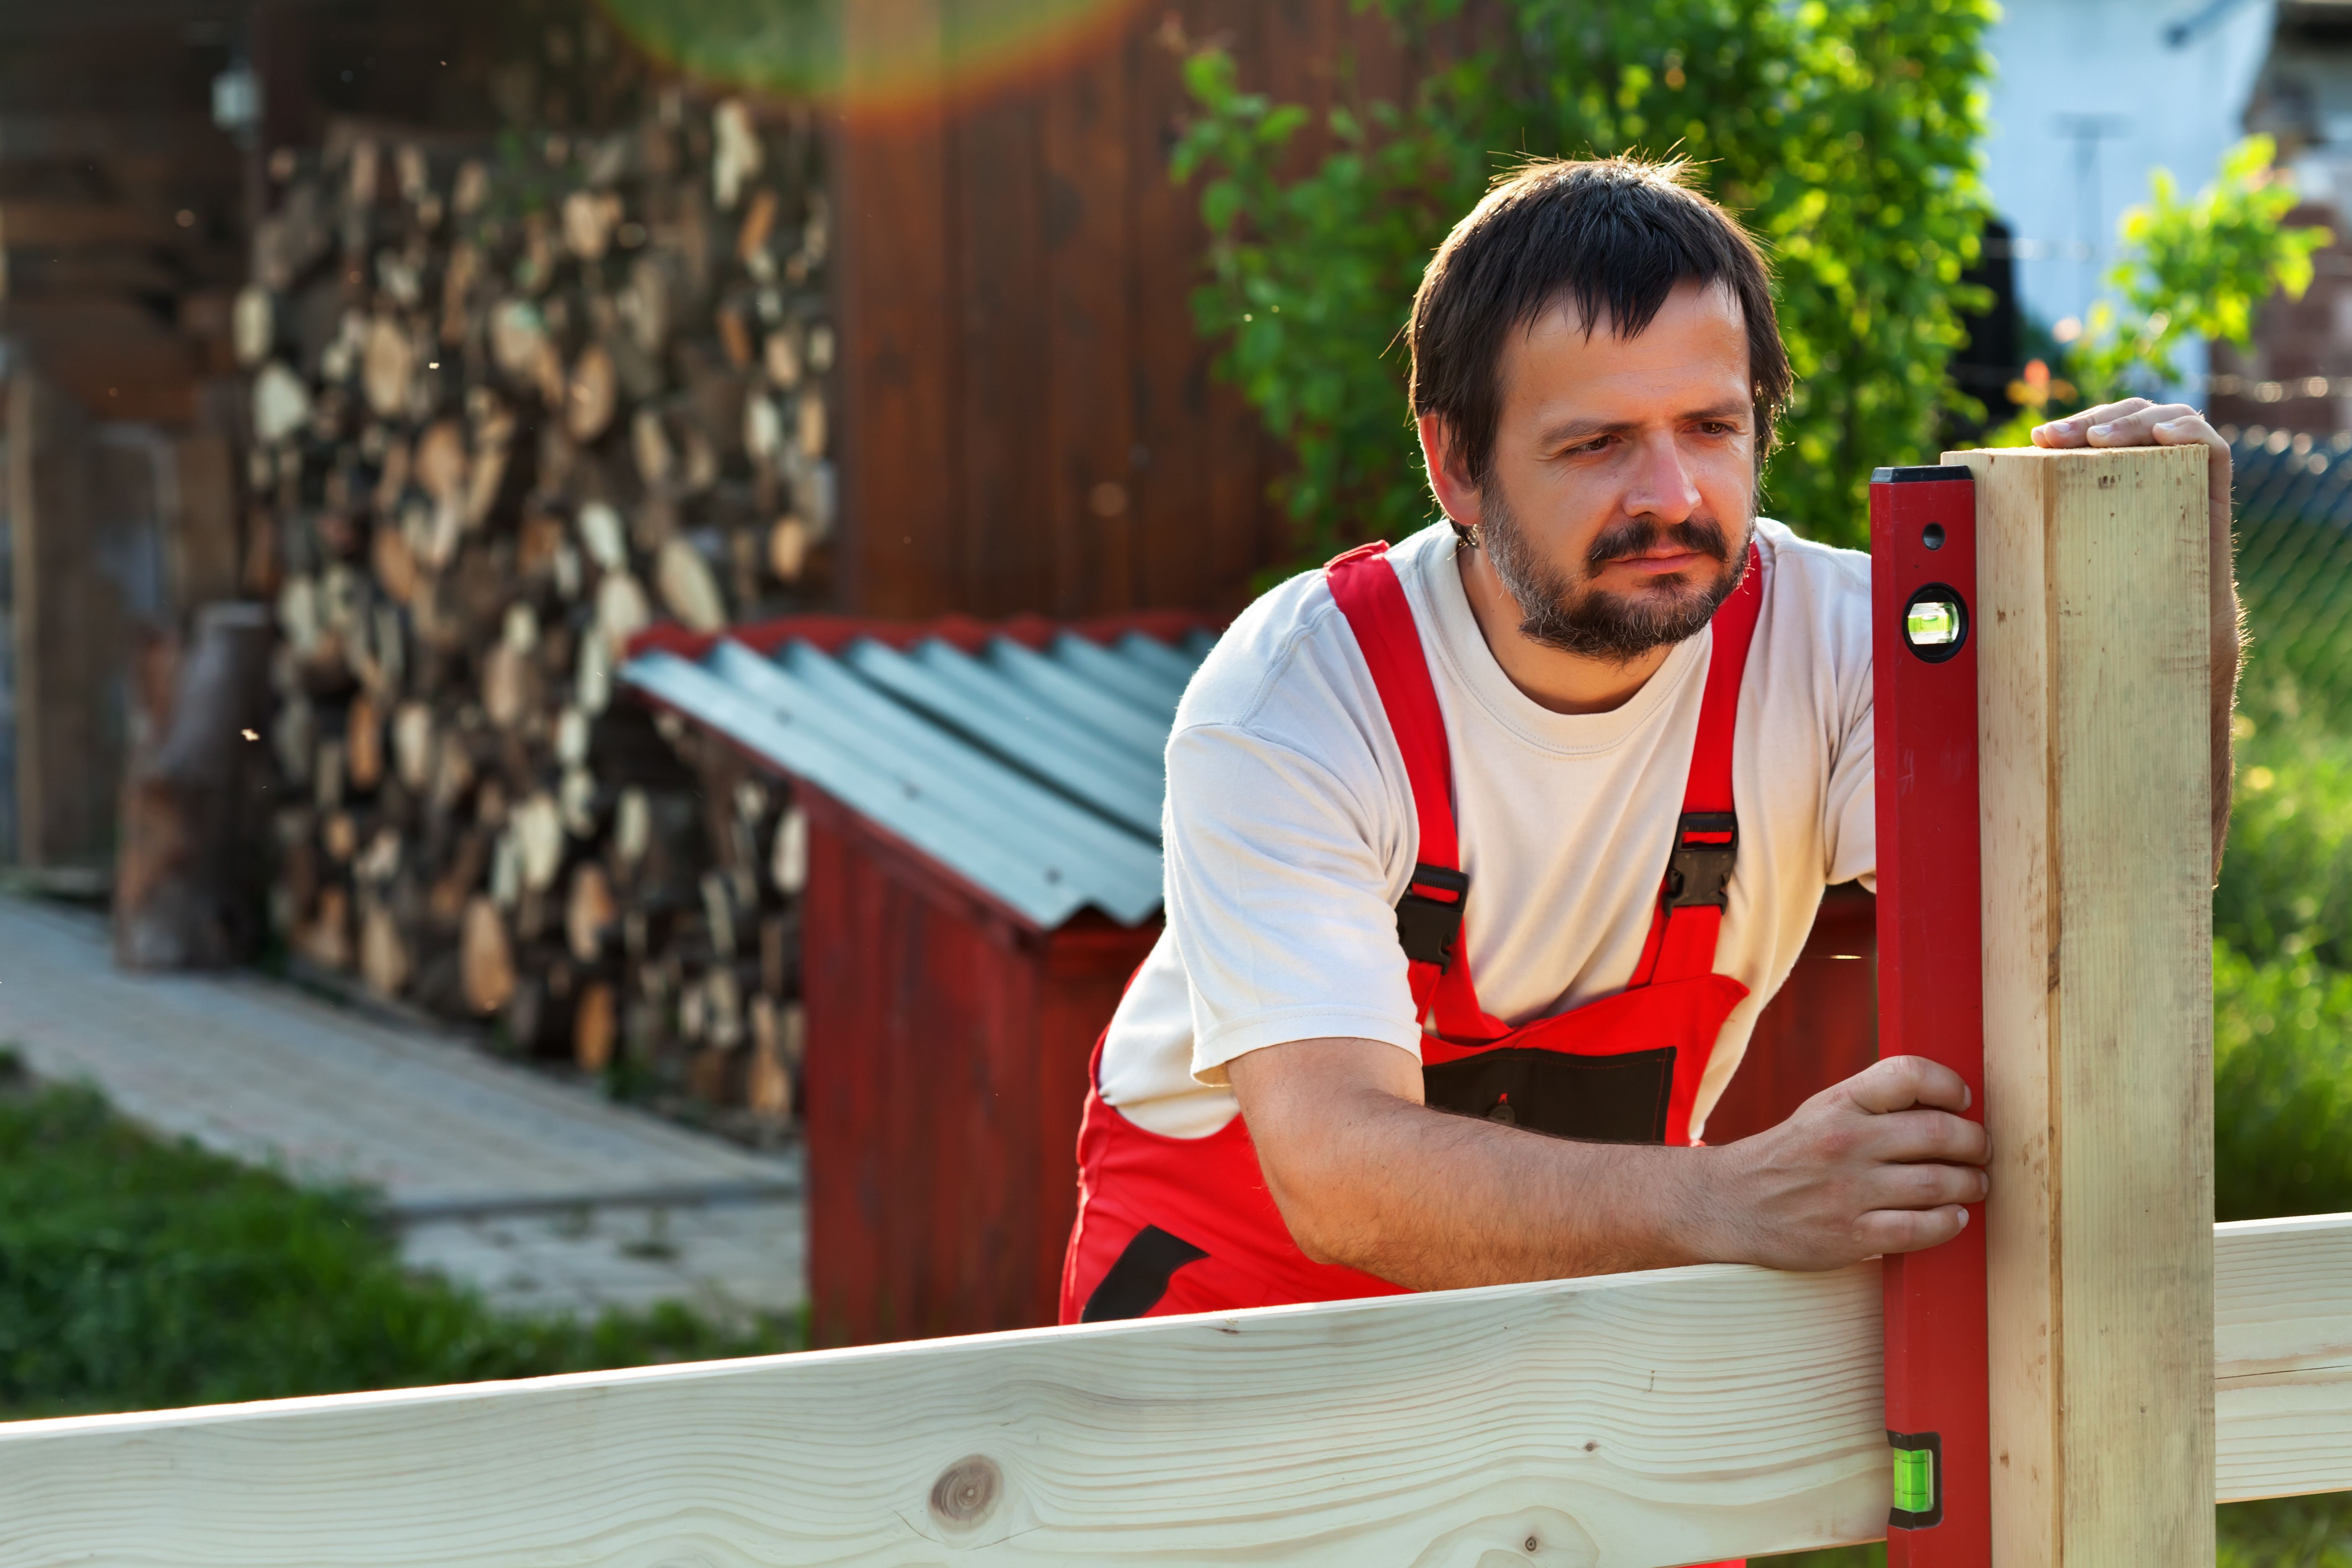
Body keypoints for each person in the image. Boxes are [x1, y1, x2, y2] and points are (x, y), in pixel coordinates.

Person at [1060, 155, 2241, 1328]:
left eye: (1712, 427)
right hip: (1236, 1324)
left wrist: (2186, 614)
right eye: (1597, 444)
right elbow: (1335, 1176)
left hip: (1593, 1289)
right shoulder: (1304, 697)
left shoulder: (1837, 647)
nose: (1670, 494)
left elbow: (2101, 932)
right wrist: (1732, 1198)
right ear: (1456, 464)